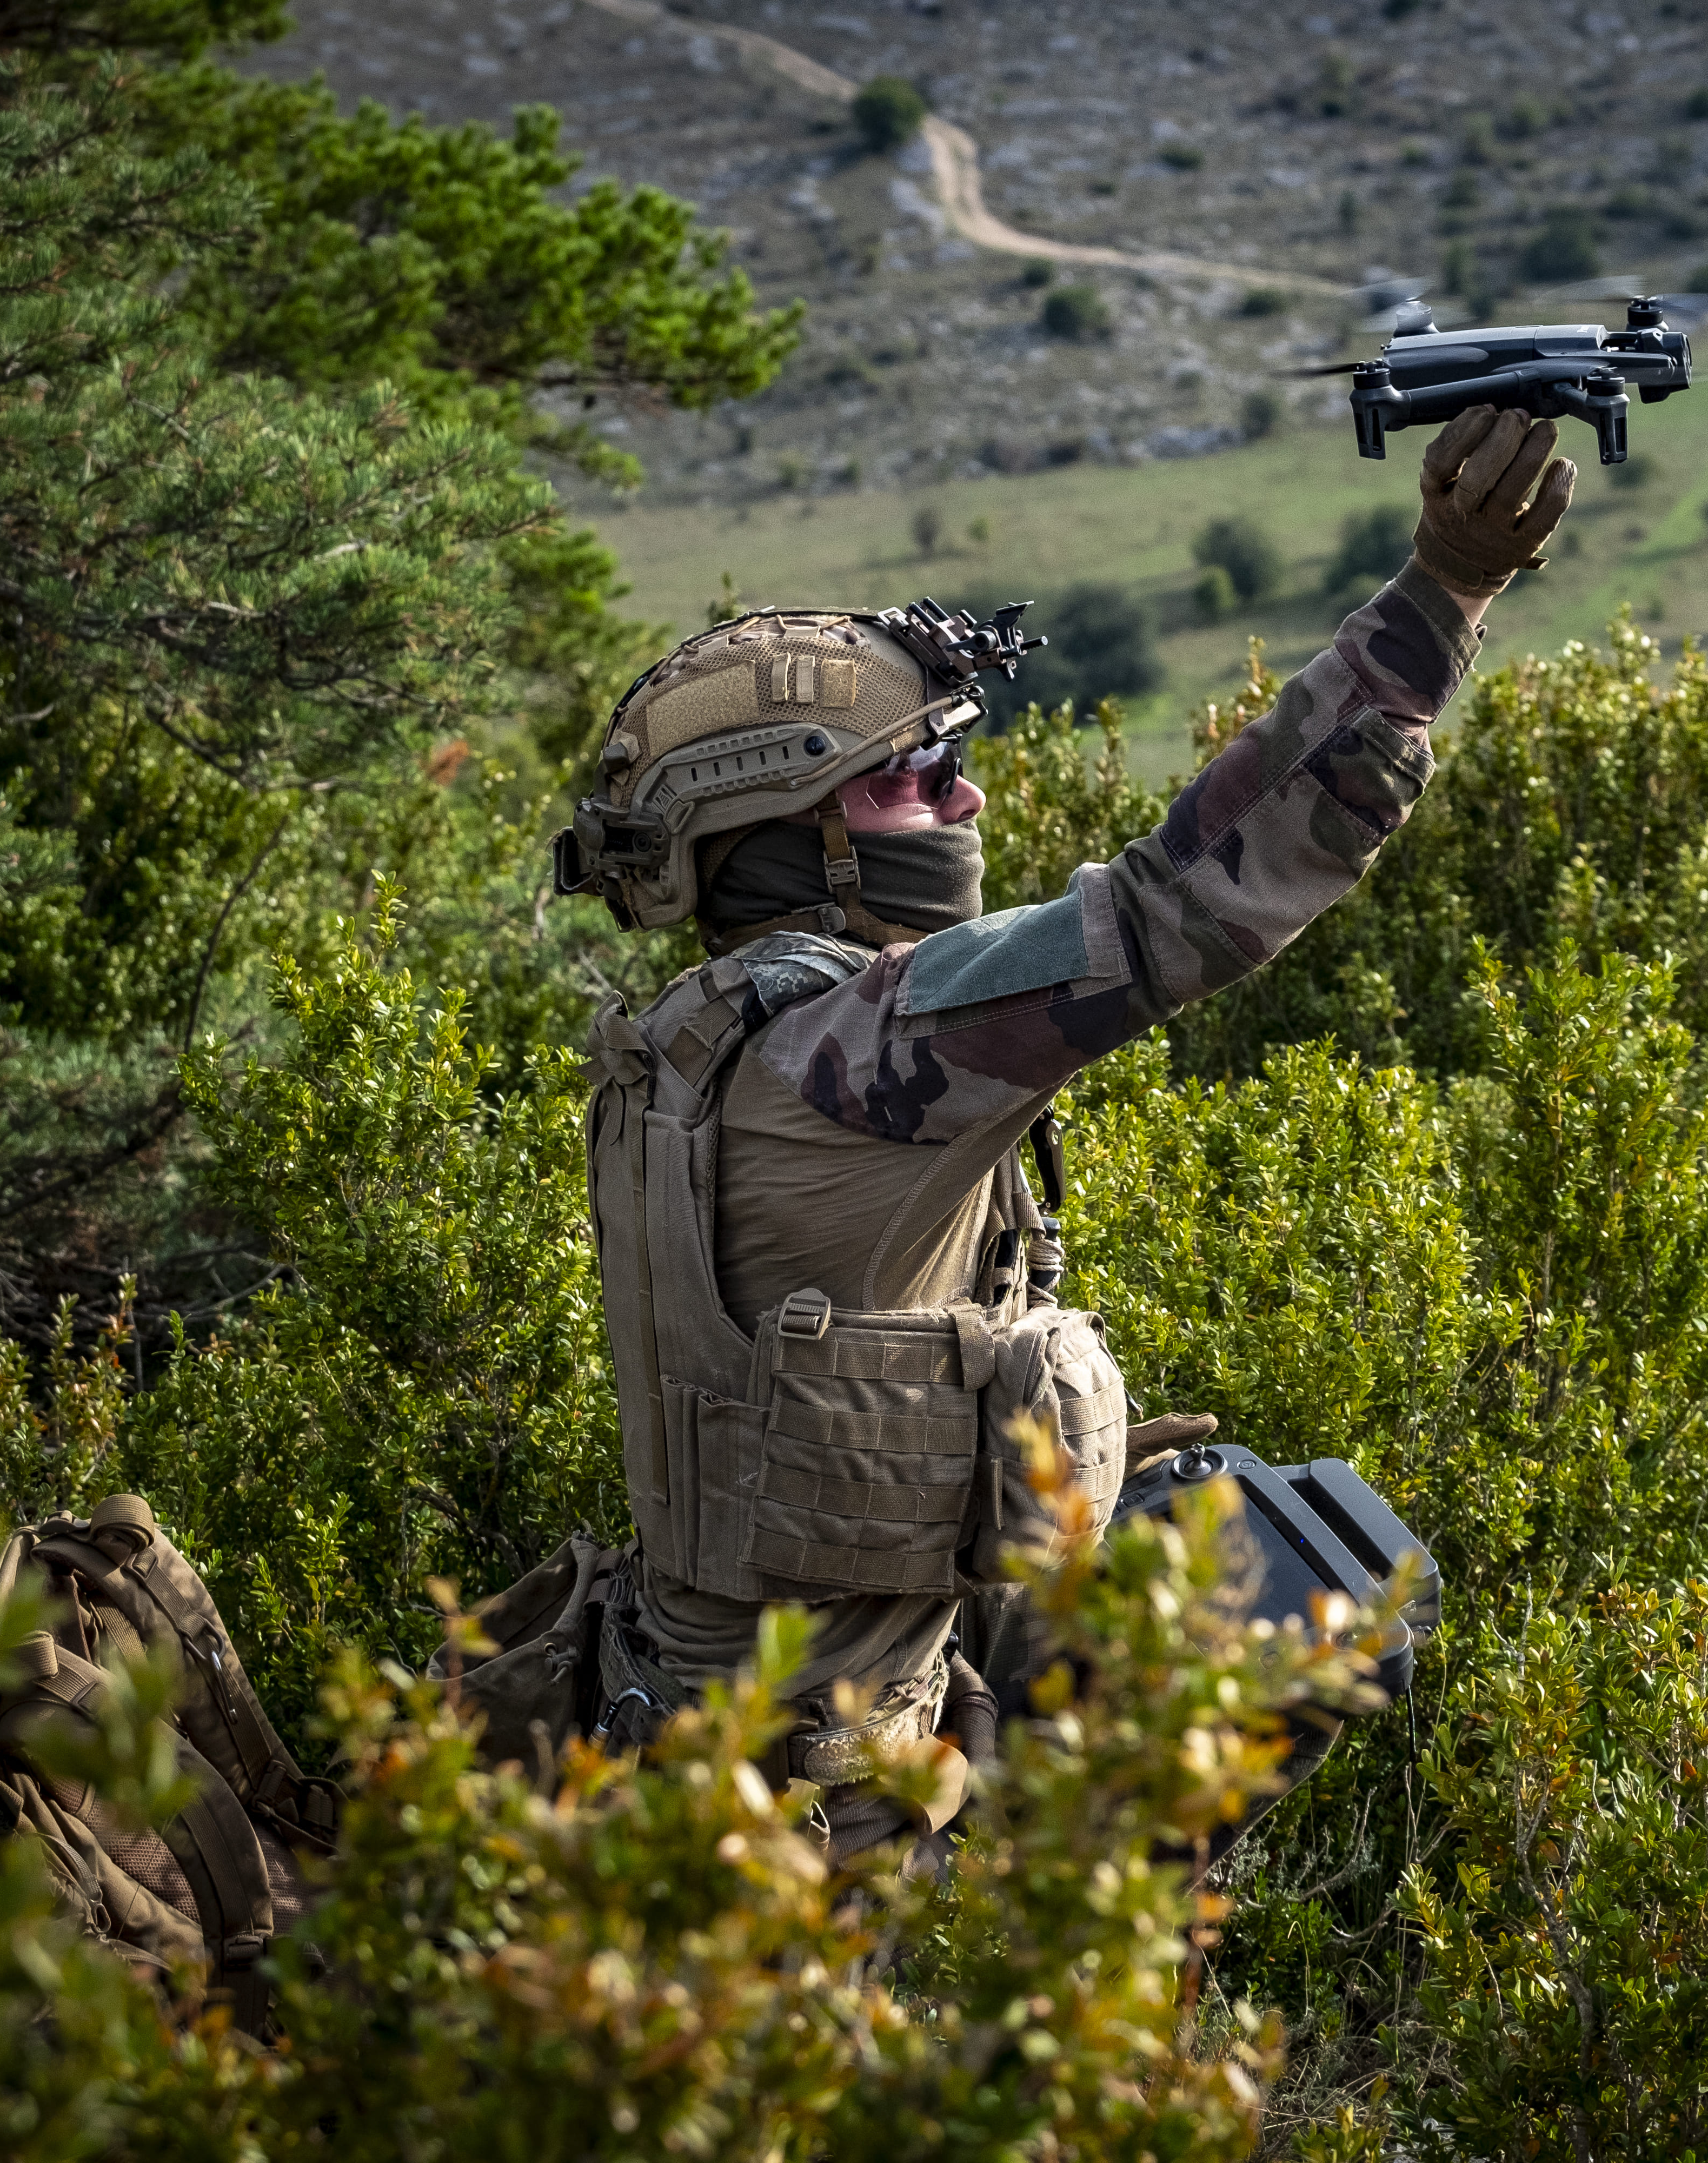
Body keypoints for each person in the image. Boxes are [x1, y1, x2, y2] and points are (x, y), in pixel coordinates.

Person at [482, 406, 1572, 1860]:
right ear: (791, 831)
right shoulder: (848, 1063)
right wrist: (1449, 584)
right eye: (914, 777)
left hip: (713, 1735)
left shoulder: (693, 1046)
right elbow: (1184, 906)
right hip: (833, 1824)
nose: (964, 798)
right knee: (1321, 1583)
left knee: (1213, 1524)